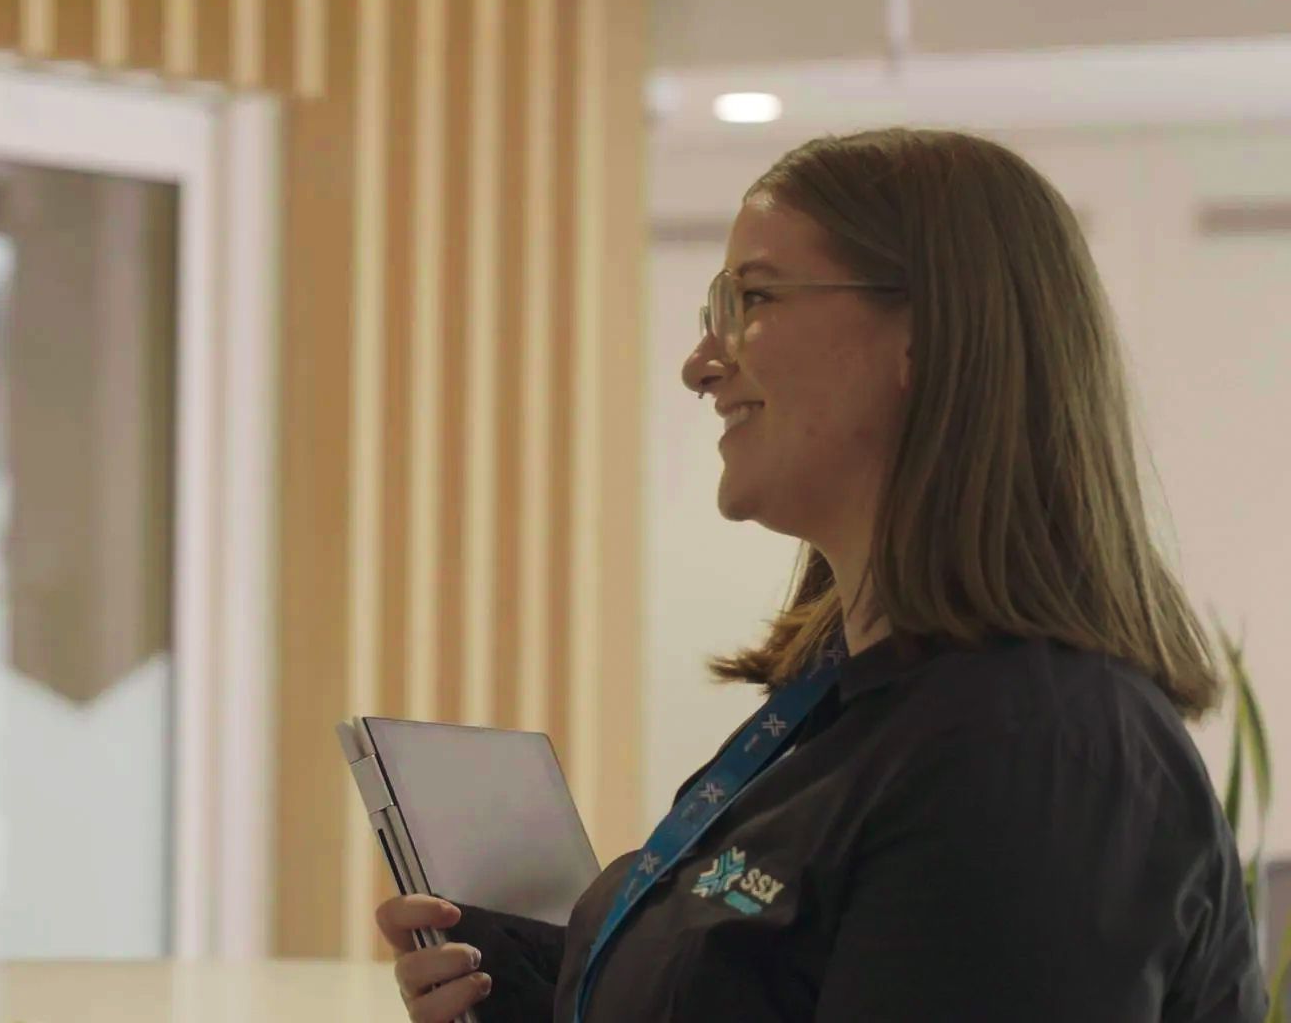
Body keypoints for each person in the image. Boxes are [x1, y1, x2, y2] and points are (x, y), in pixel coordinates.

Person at [376, 128, 1268, 1022]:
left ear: (928, 336)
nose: (701, 366)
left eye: (753, 298)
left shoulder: (1032, 756)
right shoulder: (857, 709)